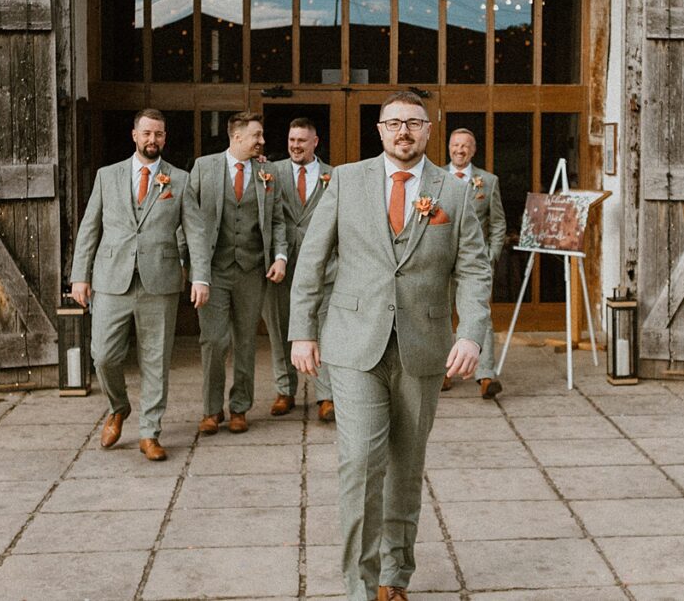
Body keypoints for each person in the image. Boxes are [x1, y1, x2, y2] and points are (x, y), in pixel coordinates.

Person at [289, 92, 492, 601]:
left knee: (405, 466)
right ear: (379, 131)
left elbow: (473, 269)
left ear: (429, 131)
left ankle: (393, 577)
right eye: (394, 123)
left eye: (414, 124)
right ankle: (359, 586)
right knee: (360, 462)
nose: (404, 132)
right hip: (354, 345)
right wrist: (302, 329)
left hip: (424, 348)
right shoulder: (347, 181)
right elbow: (312, 259)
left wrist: (470, 333)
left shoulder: (455, 192)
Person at [69, 108, 197, 461]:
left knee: (156, 360)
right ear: (134, 135)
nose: (152, 140)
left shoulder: (180, 180)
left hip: (161, 281)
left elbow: (194, 231)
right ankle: (119, 406)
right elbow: (89, 228)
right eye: (146, 133)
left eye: (158, 134)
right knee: (104, 355)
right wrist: (80, 276)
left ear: (165, 138)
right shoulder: (107, 176)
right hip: (111, 279)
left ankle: (149, 432)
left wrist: (199, 276)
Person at [187, 111, 287, 435]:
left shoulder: (267, 172)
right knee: (214, 341)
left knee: (245, 341)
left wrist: (280, 257)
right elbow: (189, 220)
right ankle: (211, 409)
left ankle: (240, 408)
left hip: (251, 269)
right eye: (257, 135)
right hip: (213, 271)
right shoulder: (204, 167)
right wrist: (192, 270)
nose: (262, 141)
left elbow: (277, 220)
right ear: (237, 137)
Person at [262, 117, 337, 421]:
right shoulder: (271, 171)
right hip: (280, 265)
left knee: (323, 330)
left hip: (324, 267)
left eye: (301, 141)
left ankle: (326, 395)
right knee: (280, 328)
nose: (295, 146)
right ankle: (285, 390)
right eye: (292, 140)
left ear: (315, 142)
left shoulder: (334, 176)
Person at [442, 127, 507, 398]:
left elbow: (498, 223)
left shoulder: (487, 181)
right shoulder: (434, 178)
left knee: (480, 316)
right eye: (455, 145)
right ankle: (444, 372)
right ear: (449, 148)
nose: (460, 150)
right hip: (442, 261)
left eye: (465, 146)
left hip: (474, 262)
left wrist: (490, 255)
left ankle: (485, 376)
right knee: (440, 316)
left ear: (474, 150)